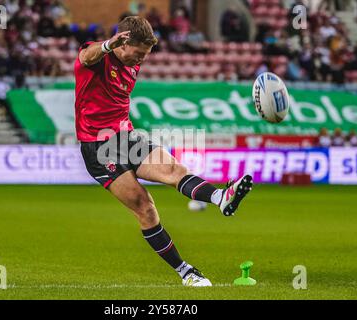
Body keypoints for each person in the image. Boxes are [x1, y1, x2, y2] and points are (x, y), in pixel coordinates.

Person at [75, 16, 253, 287]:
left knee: (174, 170)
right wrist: (109, 44)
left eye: (145, 55)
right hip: (98, 147)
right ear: (123, 43)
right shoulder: (100, 57)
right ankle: (186, 272)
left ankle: (220, 197)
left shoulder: (132, 65)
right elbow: (86, 57)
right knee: (145, 208)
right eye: (138, 54)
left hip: (126, 137)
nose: (141, 60)